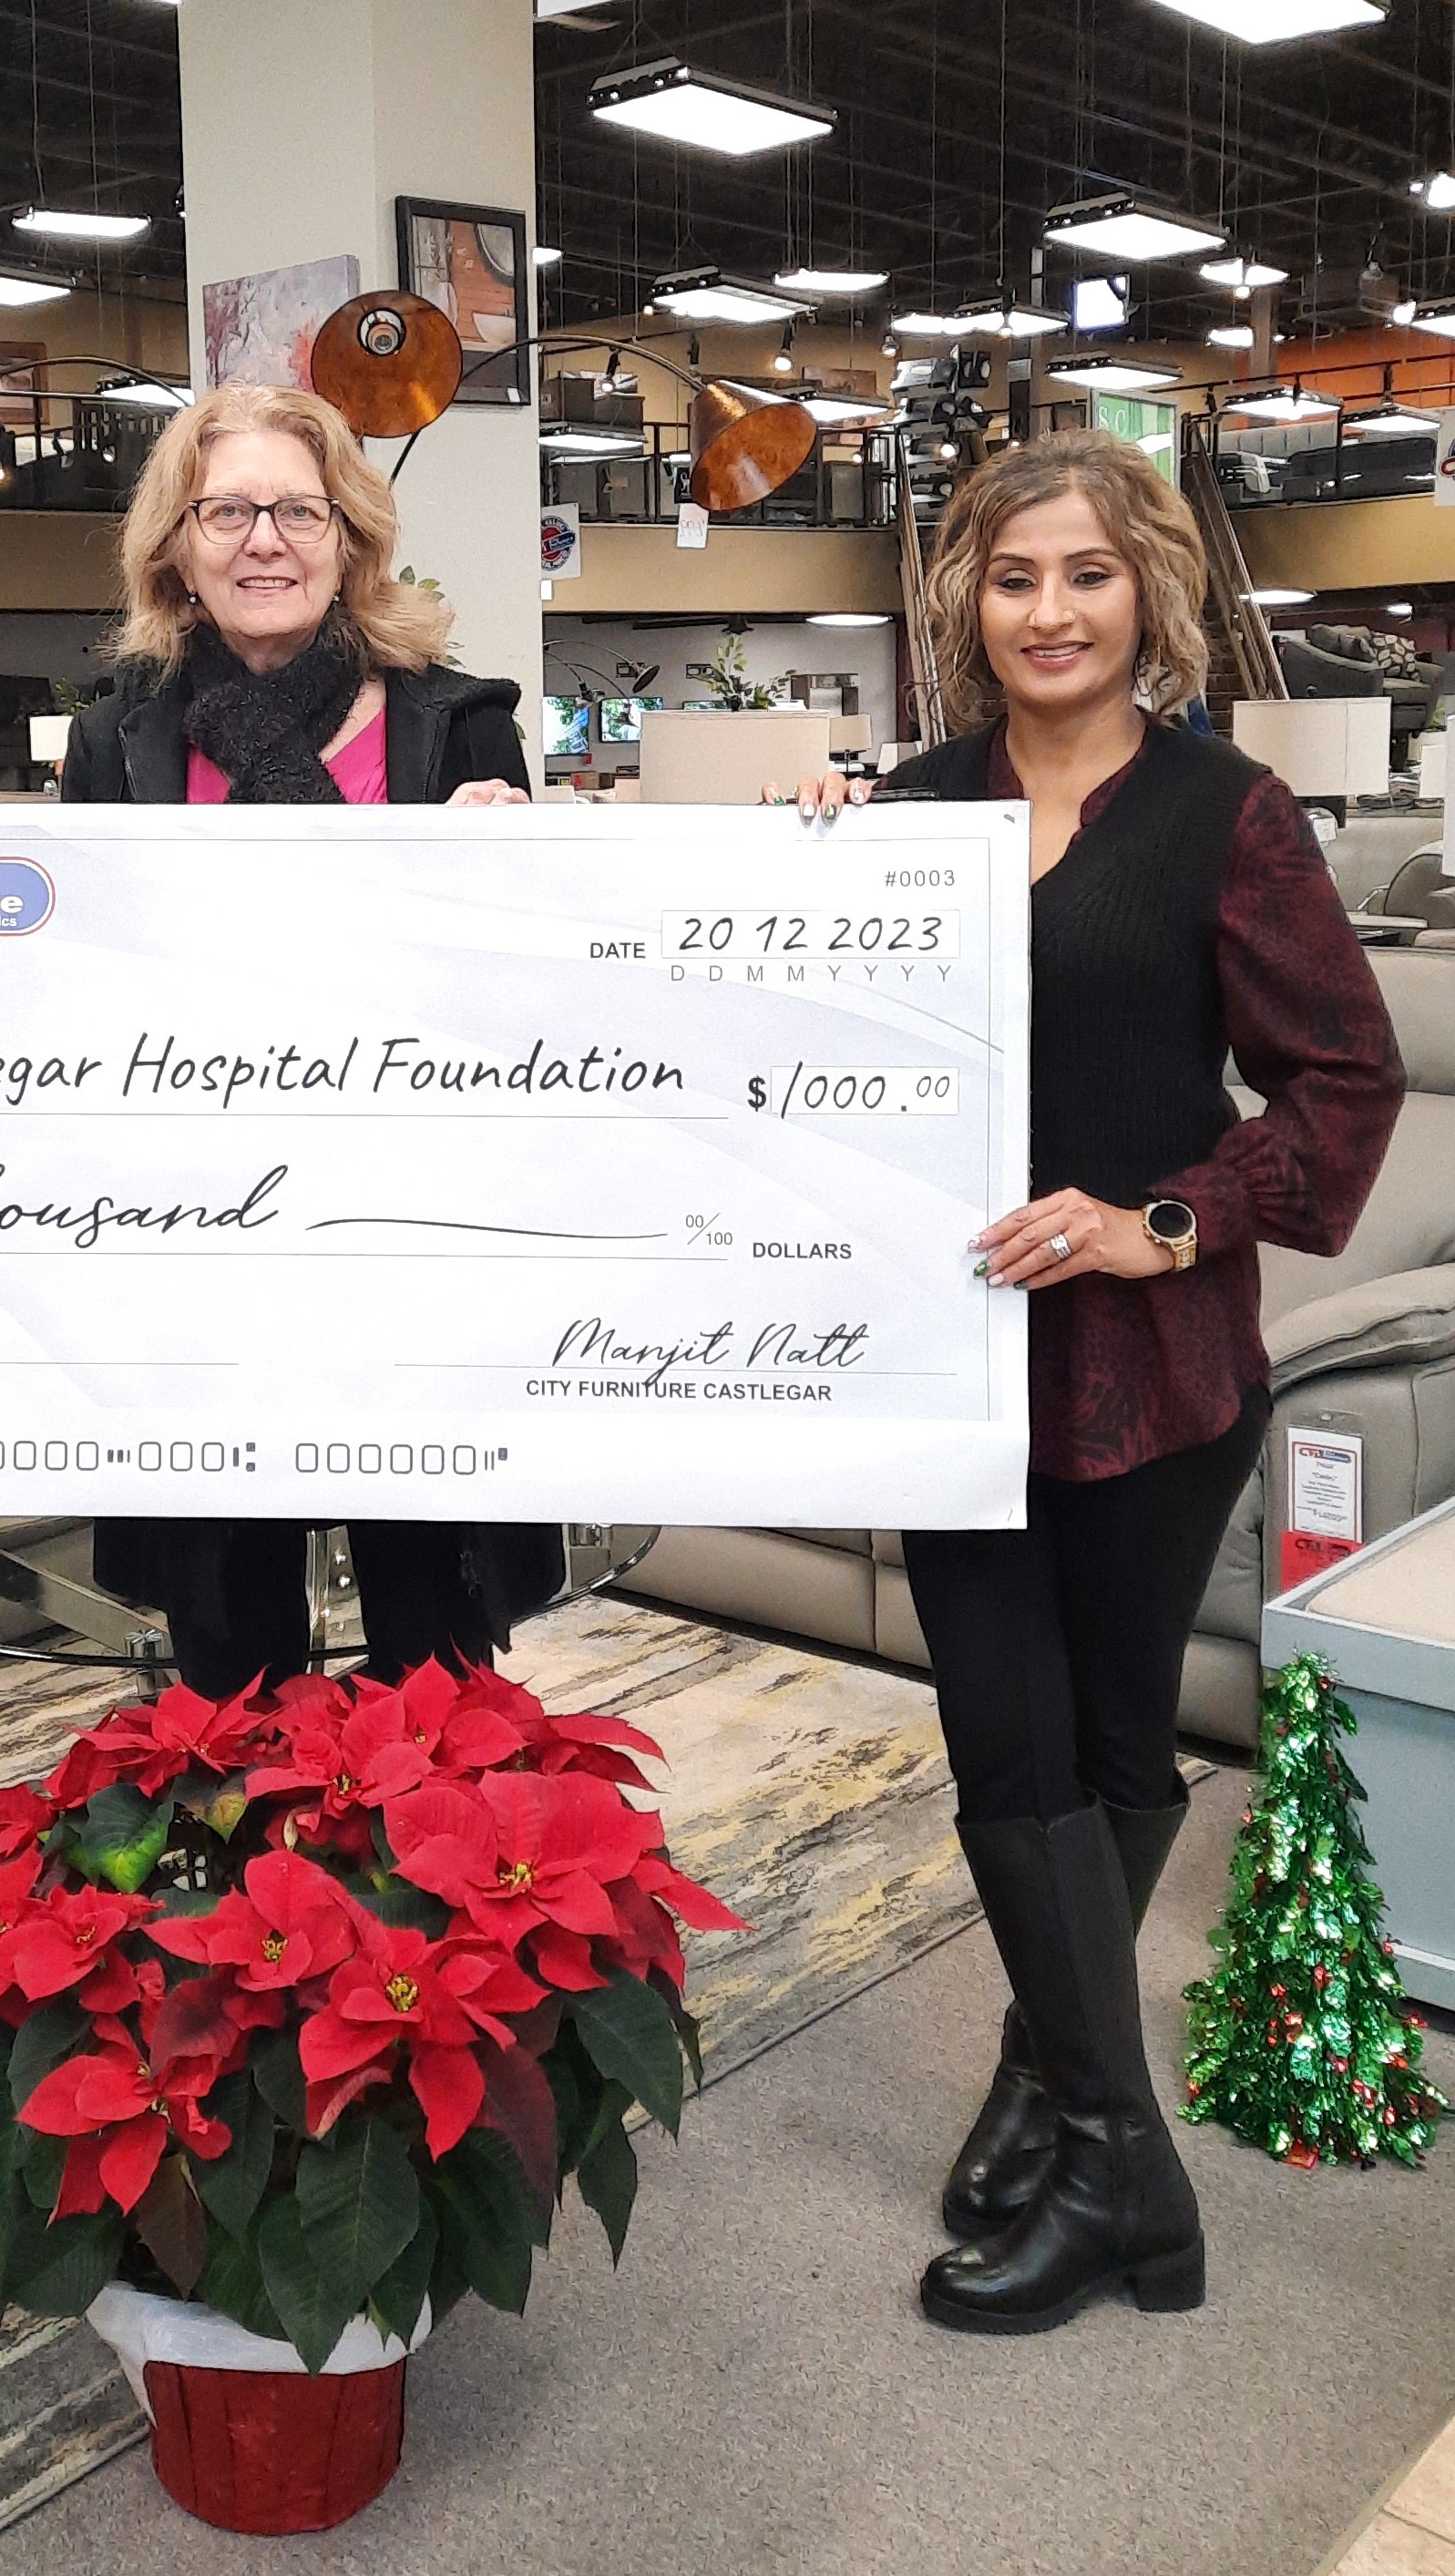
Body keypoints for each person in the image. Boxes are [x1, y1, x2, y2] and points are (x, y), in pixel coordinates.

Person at [781, 428, 1402, 2333]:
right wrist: (796, 879)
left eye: (1086, 573)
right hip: (947, 1354)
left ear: (1147, 591)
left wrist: (1173, 1217)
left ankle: (1050, 2084)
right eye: (1014, 575)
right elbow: (807, 1052)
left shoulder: (1229, 812)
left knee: (1120, 1757)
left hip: (1151, 1370)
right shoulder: (905, 805)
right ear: (967, 601)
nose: (1049, 609)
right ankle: (1134, 2185)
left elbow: (1345, 1084)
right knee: (1007, 1753)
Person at [59, 382, 564, 1697]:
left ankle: (434, 1886)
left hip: (417, 1233)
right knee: (226, 1623)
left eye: (299, 509)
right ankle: (255, 1886)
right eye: (228, 511)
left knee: (429, 1616)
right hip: (204, 1236)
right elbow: (74, 985)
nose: (264, 541)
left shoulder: (454, 724)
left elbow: (542, 1013)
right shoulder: (118, 739)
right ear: (176, 543)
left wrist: (521, 885)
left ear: (351, 539)